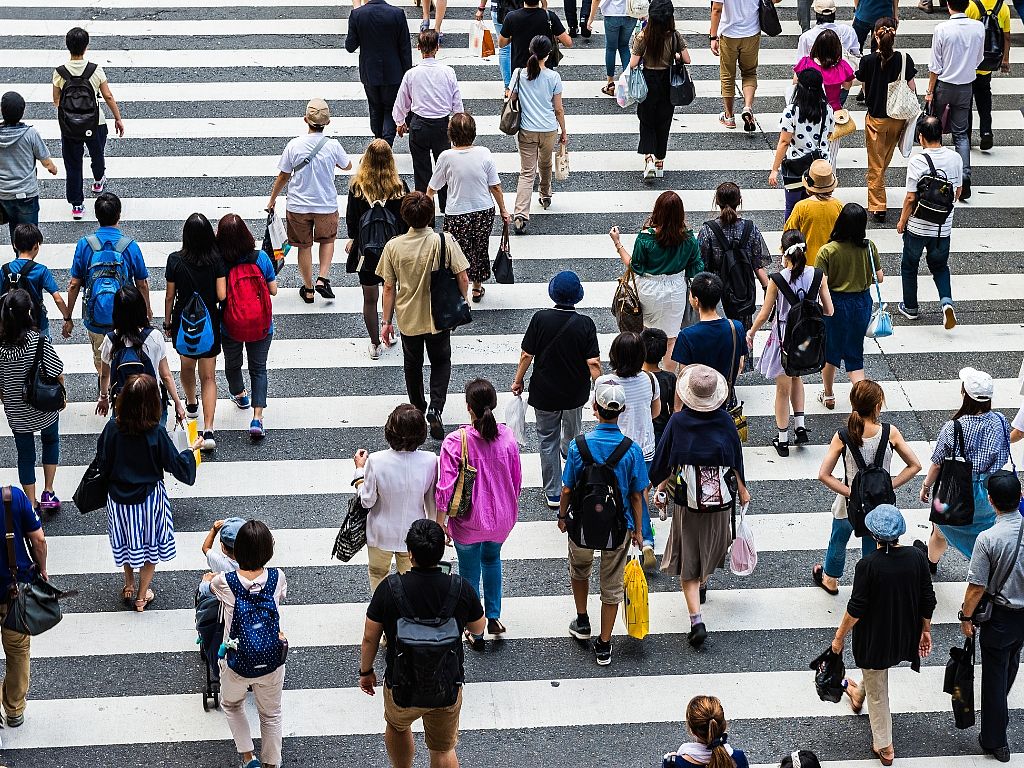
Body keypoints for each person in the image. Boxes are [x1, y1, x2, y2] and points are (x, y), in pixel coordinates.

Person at [360, 519, 485, 768]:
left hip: (401, 683)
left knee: (397, 727)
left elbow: (369, 637)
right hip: (446, 684)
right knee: (443, 749)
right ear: (441, 552)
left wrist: (366, 672)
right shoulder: (460, 588)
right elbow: (478, 628)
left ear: (410, 553)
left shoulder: (389, 588)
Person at [651, 365, 749, 647]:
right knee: (712, 546)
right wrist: (743, 490)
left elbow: (665, 461)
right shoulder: (725, 421)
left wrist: (659, 487)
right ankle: (704, 581)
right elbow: (736, 459)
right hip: (720, 502)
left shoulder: (679, 422)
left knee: (688, 558)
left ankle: (696, 620)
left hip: (688, 502)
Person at [831, 505, 936, 766]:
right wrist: (925, 630)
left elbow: (856, 608)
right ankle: (858, 695)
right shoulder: (916, 557)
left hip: (875, 639)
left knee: (878, 692)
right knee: (874, 678)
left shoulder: (868, 565)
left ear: (873, 534)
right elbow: (928, 598)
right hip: (903, 634)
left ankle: (885, 746)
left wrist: (839, 637)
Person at [558, 379, 647, 666]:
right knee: (612, 583)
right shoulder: (631, 450)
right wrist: (638, 531)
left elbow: (567, 489)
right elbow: (637, 495)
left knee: (579, 568)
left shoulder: (578, 446)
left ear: (594, 407)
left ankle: (582, 620)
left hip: (582, 525)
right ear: (622, 411)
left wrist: (562, 517)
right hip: (617, 527)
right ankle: (605, 644)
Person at [97, 374, 201, 611]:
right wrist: (191, 449)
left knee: (126, 541)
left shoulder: (112, 428)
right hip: (149, 499)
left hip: (118, 499)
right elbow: (177, 465)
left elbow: (102, 461)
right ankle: (142, 597)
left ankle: (128, 583)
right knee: (150, 547)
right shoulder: (156, 432)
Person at [813, 380, 922, 593]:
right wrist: (889, 486)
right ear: (878, 406)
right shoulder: (890, 432)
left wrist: (852, 492)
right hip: (881, 503)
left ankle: (831, 580)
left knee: (838, 540)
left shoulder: (843, 436)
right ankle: (870, 586)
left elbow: (824, 475)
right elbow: (915, 465)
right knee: (873, 545)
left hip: (848, 504)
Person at [377, 192, 470, 439]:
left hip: (408, 318)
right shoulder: (444, 240)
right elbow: (462, 276)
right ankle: (436, 408)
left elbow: (388, 287)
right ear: (431, 215)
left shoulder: (394, 246)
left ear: (404, 216)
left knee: (412, 364)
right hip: (439, 316)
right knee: (441, 361)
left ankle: (417, 408)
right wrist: (463, 303)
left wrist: (386, 322)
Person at [436, 378, 521, 646]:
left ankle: (475, 630)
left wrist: (440, 523)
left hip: (469, 521)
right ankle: (494, 616)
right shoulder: (507, 437)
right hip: (501, 519)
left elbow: (445, 488)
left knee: (469, 572)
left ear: (468, 407)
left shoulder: (455, 442)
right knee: (492, 559)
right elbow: (516, 480)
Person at [511, 271, 601, 509]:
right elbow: (593, 363)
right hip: (575, 393)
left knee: (547, 440)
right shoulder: (585, 324)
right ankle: (571, 469)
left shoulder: (540, 319)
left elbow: (526, 354)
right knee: (573, 434)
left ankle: (553, 493)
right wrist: (600, 389)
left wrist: (518, 381)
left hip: (545, 393)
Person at [206, 520, 287, 768]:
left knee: (231, 705)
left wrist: (209, 578)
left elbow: (209, 587)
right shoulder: (278, 577)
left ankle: (248, 757)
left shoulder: (224, 582)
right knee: (271, 714)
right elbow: (281, 596)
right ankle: (271, 763)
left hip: (236, 661)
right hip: (271, 658)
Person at [746, 230, 834, 457]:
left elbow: (764, 314)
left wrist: (751, 332)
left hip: (784, 339)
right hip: (806, 339)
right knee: (798, 378)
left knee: (782, 389)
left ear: (783, 252)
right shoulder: (818, 275)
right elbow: (829, 310)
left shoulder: (777, 279)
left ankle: (783, 439)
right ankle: (800, 426)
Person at [917, 368, 1011, 570]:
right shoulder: (1000, 421)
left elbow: (937, 464)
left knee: (940, 530)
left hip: (956, 491)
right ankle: (985, 568)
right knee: (984, 533)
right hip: (989, 492)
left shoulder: (954, 427)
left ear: (964, 394)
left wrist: (926, 486)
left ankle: (931, 562)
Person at [962, 470, 1024, 763]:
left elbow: (976, 587)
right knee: (1011, 659)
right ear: (1020, 496)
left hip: (1000, 617)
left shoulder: (988, 539)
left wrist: (966, 617)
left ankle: (994, 740)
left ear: (990, 500)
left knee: (994, 675)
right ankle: (1000, 706)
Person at [267, 99, 352, 304]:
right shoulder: (332, 145)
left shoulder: (294, 145)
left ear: (306, 120)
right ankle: (322, 278)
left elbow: (283, 176)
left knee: (304, 247)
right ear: (327, 122)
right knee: (327, 240)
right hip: (326, 204)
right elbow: (347, 166)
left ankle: (308, 289)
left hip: (298, 205)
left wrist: (272, 200)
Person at [64, 192, 151, 379]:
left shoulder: (85, 245)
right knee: (127, 351)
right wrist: (147, 310)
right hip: (126, 315)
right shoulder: (130, 246)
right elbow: (142, 284)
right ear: (119, 214)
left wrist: (68, 317)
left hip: (95, 315)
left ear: (96, 216)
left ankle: (106, 384)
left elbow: (74, 284)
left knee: (100, 357)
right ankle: (123, 383)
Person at [610, 191, 703, 364]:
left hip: (648, 289)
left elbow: (634, 266)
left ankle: (647, 373)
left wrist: (617, 243)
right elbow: (696, 267)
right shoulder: (689, 238)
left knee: (647, 334)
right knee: (671, 339)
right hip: (676, 289)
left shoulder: (645, 239)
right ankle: (669, 377)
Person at [353, 404, 439, 595]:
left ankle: (380, 610)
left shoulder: (376, 460)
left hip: (380, 532)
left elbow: (367, 500)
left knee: (378, 575)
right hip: (414, 535)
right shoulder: (430, 460)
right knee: (411, 584)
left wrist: (359, 472)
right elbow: (431, 502)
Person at [427, 113, 511, 303]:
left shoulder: (446, 157)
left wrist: (426, 206)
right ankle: (477, 287)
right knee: (480, 247)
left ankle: (460, 290)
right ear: (473, 132)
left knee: (456, 251)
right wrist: (503, 210)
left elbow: (433, 187)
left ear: (451, 134)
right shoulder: (484, 153)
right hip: (483, 210)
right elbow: (495, 186)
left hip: (456, 212)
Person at [164, 213, 226, 450]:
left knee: (187, 366)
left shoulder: (175, 260)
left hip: (184, 322)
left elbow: (170, 295)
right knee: (208, 377)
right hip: (208, 322)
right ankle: (208, 430)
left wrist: (168, 323)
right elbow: (221, 295)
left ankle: (191, 404)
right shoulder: (216, 260)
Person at [597, 332, 660, 564]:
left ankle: (626, 536)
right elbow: (655, 412)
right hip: (644, 447)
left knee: (618, 492)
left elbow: (599, 412)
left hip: (616, 449)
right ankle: (646, 540)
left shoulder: (604, 383)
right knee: (639, 493)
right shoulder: (650, 380)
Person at [895, 115, 963, 330]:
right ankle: (946, 303)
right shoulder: (955, 158)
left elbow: (910, 198)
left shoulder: (917, 161)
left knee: (909, 265)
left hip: (917, 226)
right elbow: (958, 192)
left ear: (921, 137)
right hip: (942, 227)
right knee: (940, 267)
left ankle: (910, 307)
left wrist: (902, 221)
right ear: (941, 134)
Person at [0, 290, 64, 513]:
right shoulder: (38, 342)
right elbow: (56, 370)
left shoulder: (1, 349)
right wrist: (62, 394)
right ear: (28, 313)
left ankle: (31, 502)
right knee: (51, 441)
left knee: (25, 455)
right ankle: (49, 492)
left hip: (17, 411)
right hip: (44, 406)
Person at [51, 27, 125, 220]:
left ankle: (77, 206)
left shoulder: (59, 72)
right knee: (97, 153)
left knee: (73, 164)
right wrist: (118, 118)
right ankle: (98, 181)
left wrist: (71, 114)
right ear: (86, 46)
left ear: (68, 46)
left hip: (70, 127)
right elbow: (108, 95)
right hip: (95, 121)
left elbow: (56, 100)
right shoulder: (95, 70)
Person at [345, 139, 409, 360]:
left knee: (369, 297)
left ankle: (374, 343)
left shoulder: (357, 188)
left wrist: (354, 239)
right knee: (390, 289)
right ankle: (388, 328)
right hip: (394, 248)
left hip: (366, 251)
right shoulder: (399, 187)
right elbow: (405, 221)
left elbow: (351, 222)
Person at [814, 202, 882, 409]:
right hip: (861, 303)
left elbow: (820, 284)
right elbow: (879, 277)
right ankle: (864, 403)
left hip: (834, 304)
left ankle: (828, 395)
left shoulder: (827, 251)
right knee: (854, 353)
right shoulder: (869, 247)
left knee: (830, 352)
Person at [217, 213, 278, 441]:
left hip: (231, 324)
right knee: (258, 369)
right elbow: (273, 290)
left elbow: (220, 295)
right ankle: (257, 418)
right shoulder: (260, 258)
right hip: (260, 323)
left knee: (233, 363)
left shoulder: (221, 261)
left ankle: (240, 394)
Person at [392, 30, 463, 213]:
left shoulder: (411, 74)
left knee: (421, 171)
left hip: (419, 125)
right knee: (445, 169)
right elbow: (456, 102)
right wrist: (459, 123)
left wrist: (400, 122)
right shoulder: (448, 72)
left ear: (418, 48)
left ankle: (425, 214)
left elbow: (402, 101)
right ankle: (447, 208)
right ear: (437, 48)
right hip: (442, 126)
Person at [97, 285, 185, 428]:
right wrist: (178, 403)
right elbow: (166, 375)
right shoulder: (155, 337)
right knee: (155, 437)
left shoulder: (111, 340)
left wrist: (103, 397)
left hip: (123, 405)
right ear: (141, 308)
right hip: (152, 403)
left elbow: (105, 375)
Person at [856, 18, 917, 223]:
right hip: (897, 118)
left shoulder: (868, 61)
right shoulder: (904, 59)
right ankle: (878, 188)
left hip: (877, 119)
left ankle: (878, 205)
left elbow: (863, 85)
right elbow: (912, 87)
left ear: (875, 35)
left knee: (876, 164)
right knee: (884, 159)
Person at [926, 0, 984, 199]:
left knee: (935, 129)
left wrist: (929, 91)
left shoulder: (942, 29)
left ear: (949, 4)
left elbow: (935, 65)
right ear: (967, 5)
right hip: (966, 86)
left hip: (944, 85)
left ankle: (936, 173)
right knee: (961, 134)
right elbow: (979, 59)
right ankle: (965, 175)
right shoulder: (978, 27)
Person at [511, 36, 568, 235]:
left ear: (530, 50)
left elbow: (511, 98)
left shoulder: (519, 74)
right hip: (548, 129)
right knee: (545, 163)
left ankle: (520, 215)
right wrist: (564, 130)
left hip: (526, 129)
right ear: (549, 54)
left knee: (527, 172)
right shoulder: (554, 77)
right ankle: (545, 194)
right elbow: (558, 109)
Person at [696, 182, 772, 329]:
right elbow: (758, 265)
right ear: (739, 201)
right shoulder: (750, 228)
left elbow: (701, 265)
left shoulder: (708, 230)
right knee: (742, 334)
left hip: (716, 295)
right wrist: (767, 289)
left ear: (717, 201)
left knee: (717, 335)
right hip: (743, 293)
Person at [0, 484, 45, 728]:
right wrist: (43, 569)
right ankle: (14, 709)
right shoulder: (12, 497)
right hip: (14, 592)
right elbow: (38, 540)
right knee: (18, 652)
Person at [628, 0, 690, 178]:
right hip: (667, 82)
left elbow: (633, 63)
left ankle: (648, 158)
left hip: (648, 81)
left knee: (646, 120)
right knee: (664, 121)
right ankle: (660, 161)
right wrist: (675, 55)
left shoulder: (643, 36)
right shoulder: (674, 35)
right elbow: (687, 59)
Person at [769, 70, 836, 220]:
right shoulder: (827, 110)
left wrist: (774, 169)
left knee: (792, 208)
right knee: (817, 207)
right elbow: (829, 134)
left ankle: (792, 234)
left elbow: (784, 142)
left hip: (795, 167)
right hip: (820, 167)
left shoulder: (791, 111)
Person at [344, 0, 412, 145]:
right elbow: (405, 48)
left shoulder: (357, 15)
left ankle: (378, 142)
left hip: (369, 71)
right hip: (393, 71)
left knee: (375, 107)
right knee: (390, 108)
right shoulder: (397, 14)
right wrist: (408, 75)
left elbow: (350, 46)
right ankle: (386, 145)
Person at [710, 0, 779, 131]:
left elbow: (716, 9)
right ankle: (747, 107)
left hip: (729, 33)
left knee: (727, 75)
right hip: (752, 32)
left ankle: (729, 117)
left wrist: (713, 37)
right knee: (749, 73)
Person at [671, 272, 746, 391]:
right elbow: (740, 365)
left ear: (696, 300)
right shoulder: (736, 327)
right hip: (724, 394)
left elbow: (684, 376)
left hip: (697, 396)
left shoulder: (687, 335)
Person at [0, 92, 56, 242]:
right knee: (29, 233)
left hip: (3, 193)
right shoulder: (30, 134)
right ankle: (25, 255)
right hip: (26, 193)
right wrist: (53, 169)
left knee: (14, 228)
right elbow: (46, 162)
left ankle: (18, 253)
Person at [794, 30, 855, 161]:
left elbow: (795, 83)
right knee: (830, 155)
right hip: (832, 114)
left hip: (807, 111)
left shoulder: (805, 63)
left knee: (805, 153)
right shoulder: (842, 66)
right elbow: (847, 86)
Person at [5, 224, 69, 340]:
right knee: (41, 346)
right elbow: (58, 299)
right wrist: (67, 319)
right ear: (36, 246)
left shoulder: (5, 269)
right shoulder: (41, 270)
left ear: (14, 245)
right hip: (37, 321)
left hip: (10, 321)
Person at [966, 0, 1011, 151]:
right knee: (984, 99)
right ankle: (986, 132)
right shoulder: (1002, 7)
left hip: (970, 65)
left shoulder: (971, 6)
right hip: (987, 64)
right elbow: (1006, 36)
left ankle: (966, 136)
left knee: (966, 102)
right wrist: (1005, 59)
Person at [662, 695, 750, 768]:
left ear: (692, 730)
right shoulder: (739, 758)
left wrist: (670, 761)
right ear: (724, 725)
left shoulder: (674, 763)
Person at [783, 159, 843, 265]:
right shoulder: (838, 206)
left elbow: (789, 233)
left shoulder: (801, 207)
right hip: (831, 261)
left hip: (807, 263)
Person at [500, 0, 572, 75]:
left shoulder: (511, 17)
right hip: (544, 68)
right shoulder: (549, 17)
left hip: (520, 70)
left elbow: (502, 43)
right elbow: (568, 43)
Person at [587, 0, 632, 97]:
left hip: (612, 12)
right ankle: (628, 83)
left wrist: (591, 18)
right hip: (631, 12)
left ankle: (610, 83)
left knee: (611, 48)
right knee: (624, 46)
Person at [642, 328, 676, 449]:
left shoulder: (636, 378)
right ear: (664, 352)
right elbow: (674, 408)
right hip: (662, 429)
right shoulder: (670, 378)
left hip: (641, 427)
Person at [797, 0, 861, 59]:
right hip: (843, 66)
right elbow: (856, 53)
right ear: (834, 13)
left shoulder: (806, 37)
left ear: (816, 13)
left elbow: (801, 61)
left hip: (815, 67)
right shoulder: (848, 31)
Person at [475, 0, 514, 91]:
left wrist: (481, 8)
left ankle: (508, 87)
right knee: (521, 44)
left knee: (504, 48)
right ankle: (520, 83)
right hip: (519, 7)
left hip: (498, 7)